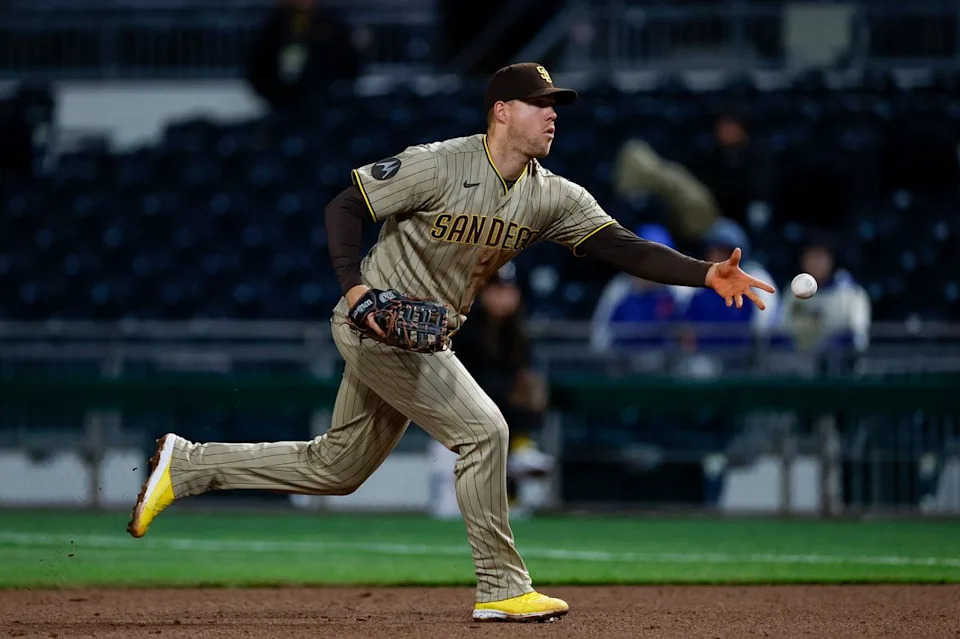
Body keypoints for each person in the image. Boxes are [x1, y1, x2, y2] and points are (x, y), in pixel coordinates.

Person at [127, 62, 775, 622]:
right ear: (501, 110)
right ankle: (501, 587)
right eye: (540, 104)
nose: (553, 116)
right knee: (484, 431)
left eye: (556, 107)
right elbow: (345, 206)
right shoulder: (439, 164)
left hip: (421, 335)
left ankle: (187, 465)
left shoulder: (549, 196)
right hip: (373, 322)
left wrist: (703, 272)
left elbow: (619, 245)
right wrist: (356, 291)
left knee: (336, 467)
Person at [452, 263, 554, 516]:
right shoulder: (466, 324)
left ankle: (521, 451)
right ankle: (519, 452)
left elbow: (522, 370)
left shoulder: (517, 328)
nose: (502, 298)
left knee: (530, 385)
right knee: (495, 405)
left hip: (503, 407)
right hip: (462, 400)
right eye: (495, 291)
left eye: (507, 292)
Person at [245, 0, 360, 111]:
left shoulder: (328, 25)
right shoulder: (273, 28)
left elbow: (349, 63)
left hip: (323, 103)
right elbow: (257, 66)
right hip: (284, 104)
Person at [590, 223, 688, 351]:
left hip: (665, 363)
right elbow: (600, 335)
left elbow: (689, 335)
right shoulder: (619, 288)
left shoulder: (679, 291)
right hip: (624, 362)